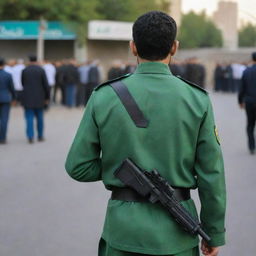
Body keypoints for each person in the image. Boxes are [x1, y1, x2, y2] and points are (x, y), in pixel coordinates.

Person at [65, 11, 226, 256]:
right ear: (174, 47)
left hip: (123, 232)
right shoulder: (197, 99)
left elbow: (78, 166)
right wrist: (214, 232)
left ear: (133, 47)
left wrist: (117, 168)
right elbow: (211, 175)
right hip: (178, 236)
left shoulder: (104, 96)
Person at [21, 55, 49, 143]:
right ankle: (40, 136)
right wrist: (47, 97)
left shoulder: (25, 70)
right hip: (39, 98)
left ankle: (30, 136)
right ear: (36, 60)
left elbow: (22, 83)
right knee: (40, 118)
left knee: (29, 118)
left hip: (28, 97)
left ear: (29, 60)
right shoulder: (41, 70)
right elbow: (46, 85)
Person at [238, 52, 256, 154]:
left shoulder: (246, 71)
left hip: (249, 101)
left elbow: (242, 88)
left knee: (250, 124)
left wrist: (240, 101)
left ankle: (251, 146)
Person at [0, 58, 16, 144]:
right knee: (4, 119)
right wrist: (14, 98)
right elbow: (12, 88)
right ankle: (2, 138)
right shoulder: (8, 75)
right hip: (5, 98)